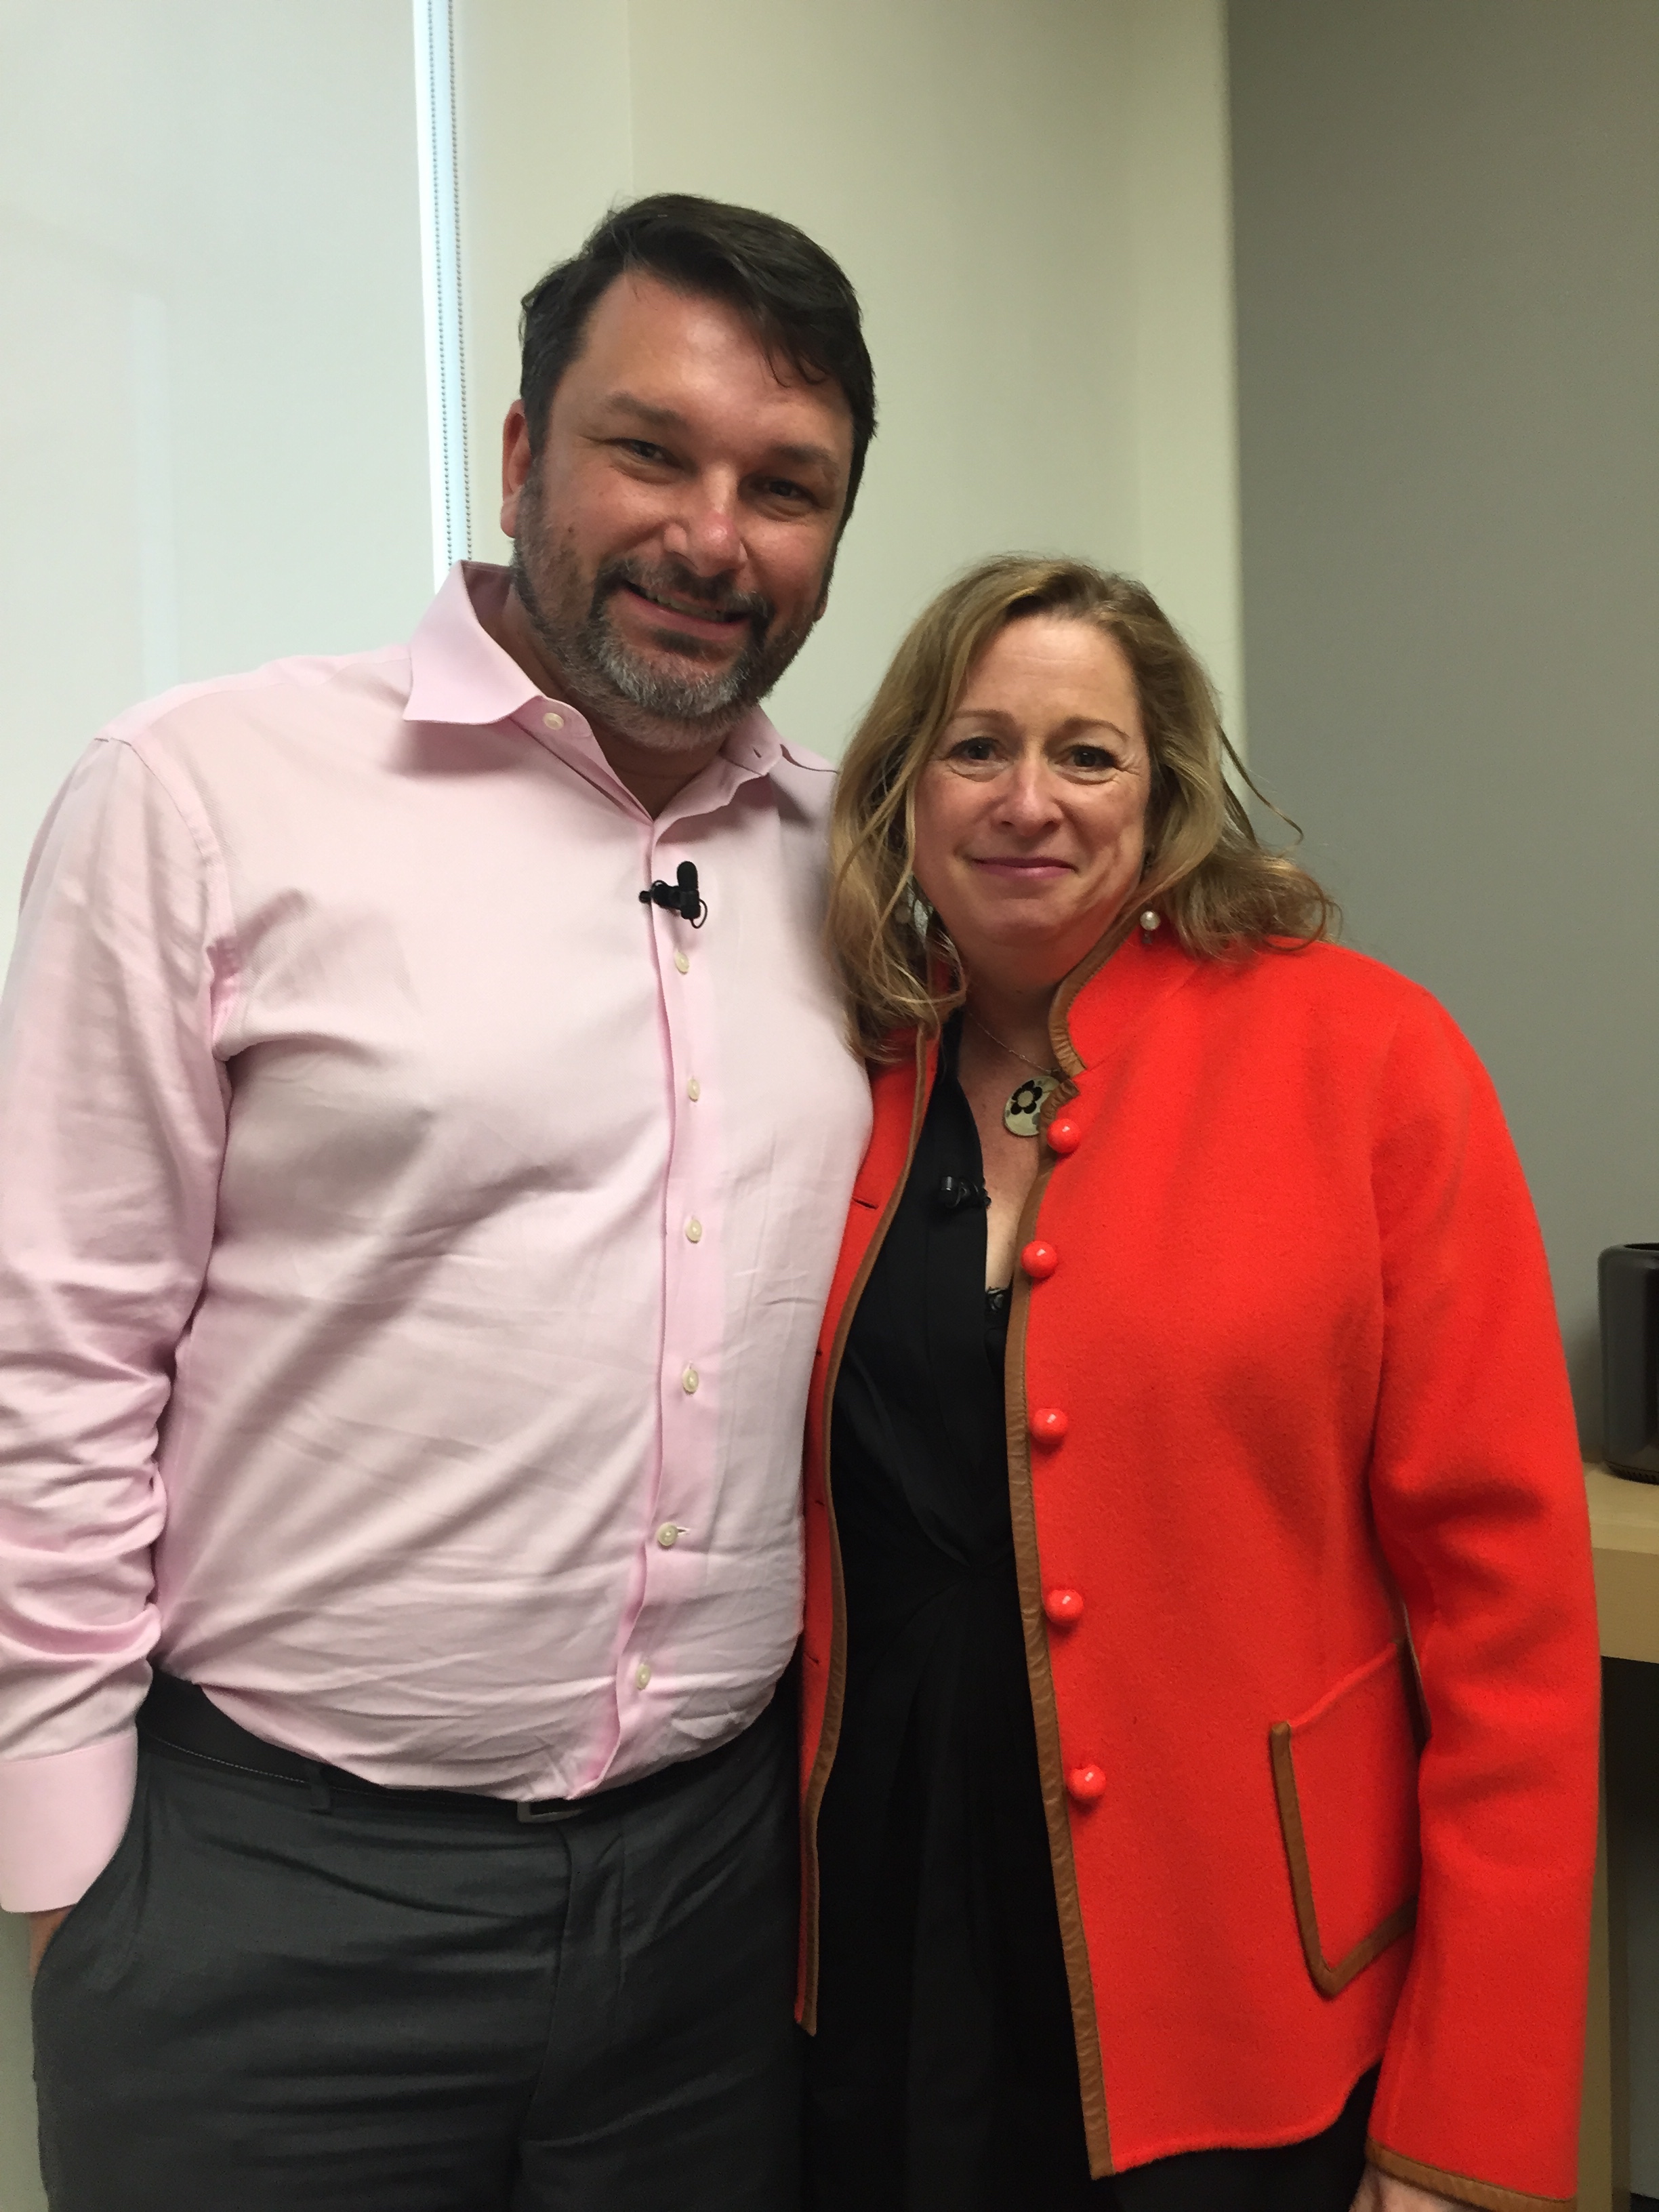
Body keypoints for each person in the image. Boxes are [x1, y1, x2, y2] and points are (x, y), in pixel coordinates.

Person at [0, 192, 876, 2212]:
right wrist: (74, 1887)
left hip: (718, 1907)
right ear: (521, 452)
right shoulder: (206, 795)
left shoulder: (849, 859)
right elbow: (58, 1350)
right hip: (270, 1897)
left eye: (785, 487)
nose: (713, 537)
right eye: (649, 451)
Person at [798, 554, 1600, 2212]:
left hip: (1245, 1972)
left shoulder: (1368, 1056)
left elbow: (1508, 1623)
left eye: (1086, 753)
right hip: (877, 1946)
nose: (1028, 800)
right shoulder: (837, 1071)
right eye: (975, 747)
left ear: (1163, 793)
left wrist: (1466, 2129)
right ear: (903, 787)